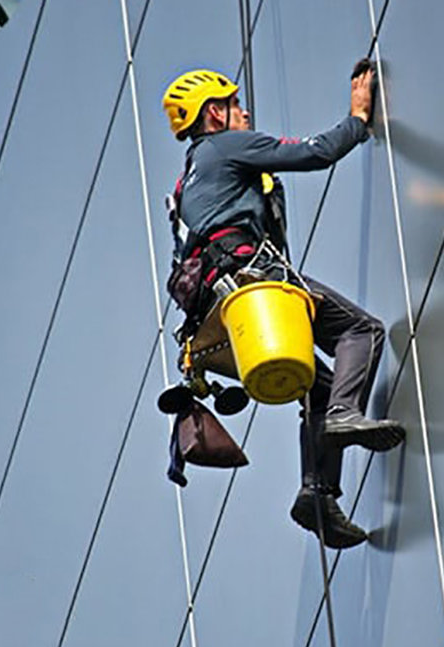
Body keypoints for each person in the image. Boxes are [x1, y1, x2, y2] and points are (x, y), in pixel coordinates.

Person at [161, 65, 405, 549]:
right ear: (214, 113)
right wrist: (358, 118)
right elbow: (313, 153)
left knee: (320, 384)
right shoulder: (223, 147)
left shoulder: (187, 183)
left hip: (218, 320)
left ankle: (317, 494)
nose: (245, 111)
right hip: (253, 284)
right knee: (363, 332)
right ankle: (342, 415)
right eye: (234, 104)